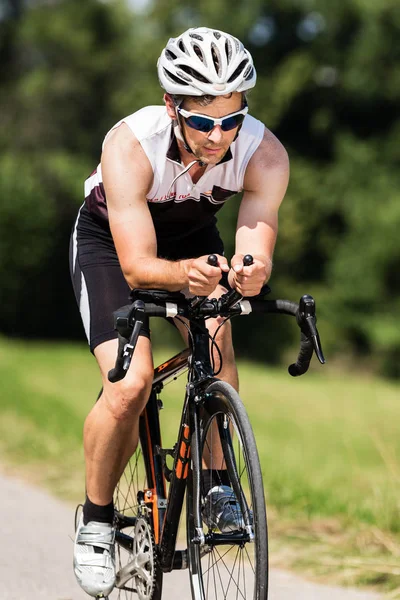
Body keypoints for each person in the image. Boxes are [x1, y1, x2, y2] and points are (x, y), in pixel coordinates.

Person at [69, 26, 289, 598]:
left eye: (231, 119)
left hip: (194, 237)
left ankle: (217, 484)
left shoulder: (264, 153)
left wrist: (247, 270)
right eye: (203, 121)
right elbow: (140, 266)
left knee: (217, 338)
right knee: (130, 382)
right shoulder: (130, 146)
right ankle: (95, 521)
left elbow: (255, 249)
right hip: (111, 247)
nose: (219, 137)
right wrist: (187, 272)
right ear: (172, 106)